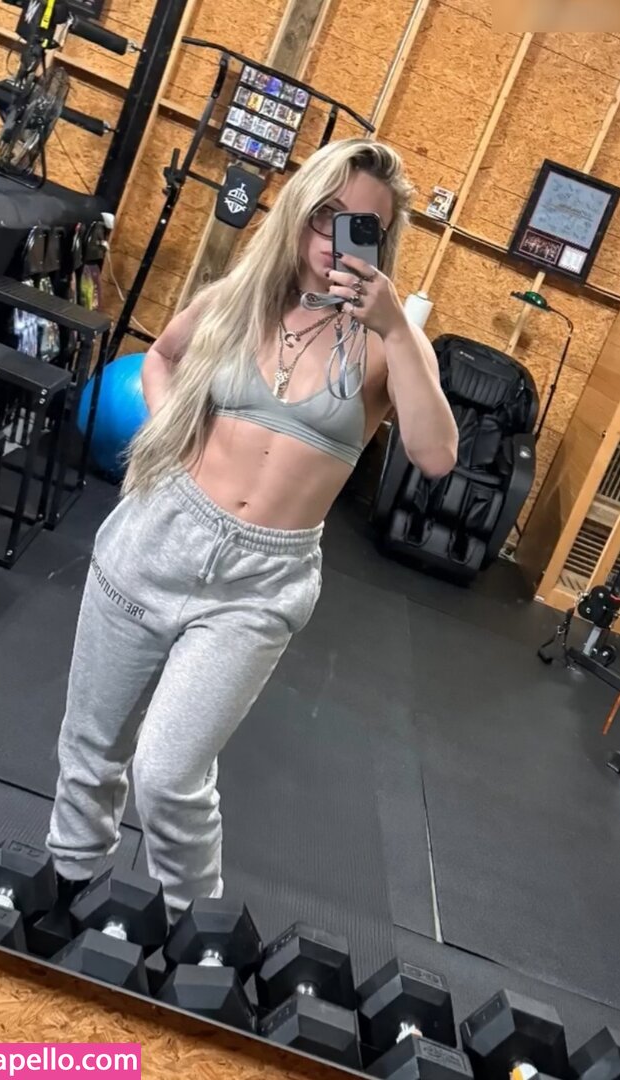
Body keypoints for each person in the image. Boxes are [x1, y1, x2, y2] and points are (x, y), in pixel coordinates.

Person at [46, 138, 458, 922]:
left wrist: (397, 329)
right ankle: (65, 887)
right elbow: (161, 359)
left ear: (381, 242)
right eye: (323, 214)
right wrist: (172, 438)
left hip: (259, 584)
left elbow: (436, 455)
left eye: (359, 227)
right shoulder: (238, 300)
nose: (332, 238)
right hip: (159, 535)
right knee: (90, 744)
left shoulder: (386, 346)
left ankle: (190, 926)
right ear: (298, 212)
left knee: (168, 775)